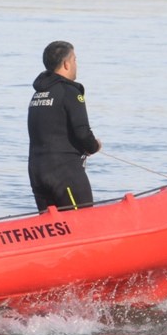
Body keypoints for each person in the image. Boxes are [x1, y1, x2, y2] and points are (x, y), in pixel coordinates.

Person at [27, 40, 102, 211]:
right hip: (64, 174)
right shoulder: (70, 92)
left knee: (53, 229)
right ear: (66, 64)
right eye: (75, 60)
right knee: (81, 222)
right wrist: (94, 146)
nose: (76, 64)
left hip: (37, 172)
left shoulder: (38, 94)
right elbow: (82, 132)